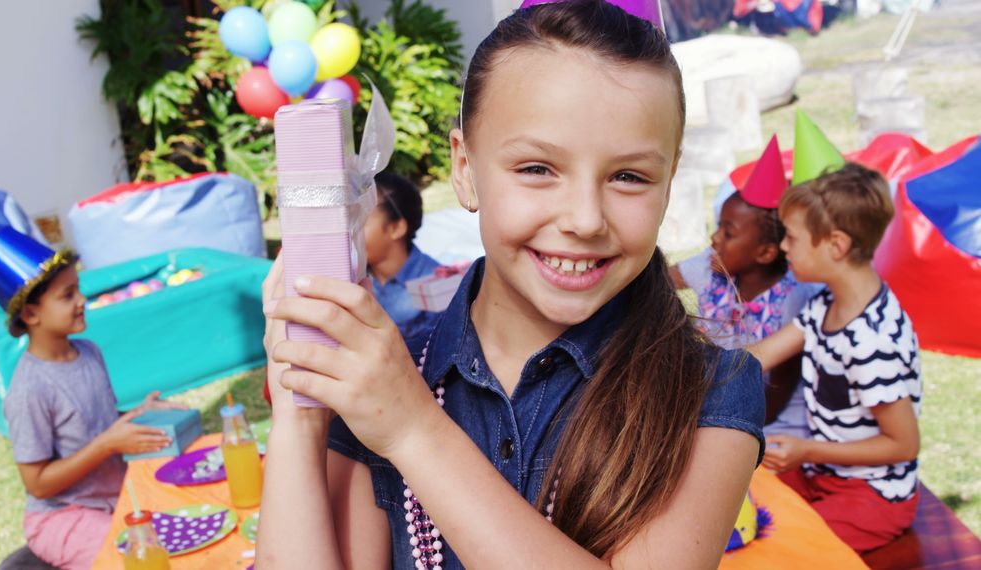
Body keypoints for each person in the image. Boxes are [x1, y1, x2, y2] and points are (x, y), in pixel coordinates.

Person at [257, 2, 764, 568]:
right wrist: (300, 411)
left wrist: (414, 429)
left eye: (628, 176)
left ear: (669, 181)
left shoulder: (711, 388)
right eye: (537, 169)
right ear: (466, 168)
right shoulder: (389, 372)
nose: (585, 218)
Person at [0, 227, 181, 570]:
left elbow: (97, 421)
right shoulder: (30, 390)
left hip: (115, 498)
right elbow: (37, 483)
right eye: (68, 295)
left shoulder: (88, 352)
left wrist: (140, 413)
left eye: (79, 290)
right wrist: (106, 445)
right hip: (63, 516)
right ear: (30, 314)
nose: (82, 300)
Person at [749, 163, 922, 552]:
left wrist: (808, 450)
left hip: (875, 495)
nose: (784, 247)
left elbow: (903, 444)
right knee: (735, 489)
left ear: (836, 246)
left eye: (792, 237)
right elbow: (756, 357)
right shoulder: (828, 304)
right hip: (820, 473)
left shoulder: (873, 342)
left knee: (784, 551)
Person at [671, 135, 819, 438]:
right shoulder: (710, 266)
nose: (715, 239)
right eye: (718, 227)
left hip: (774, 427)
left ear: (764, 253)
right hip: (714, 413)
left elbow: (779, 391)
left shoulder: (793, 299)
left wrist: (730, 433)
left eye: (729, 232)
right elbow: (653, 283)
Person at [365, 170, 442, 354]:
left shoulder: (438, 286)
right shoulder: (352, 277)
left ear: (396, 228)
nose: (349, 231)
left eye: (360, 220)